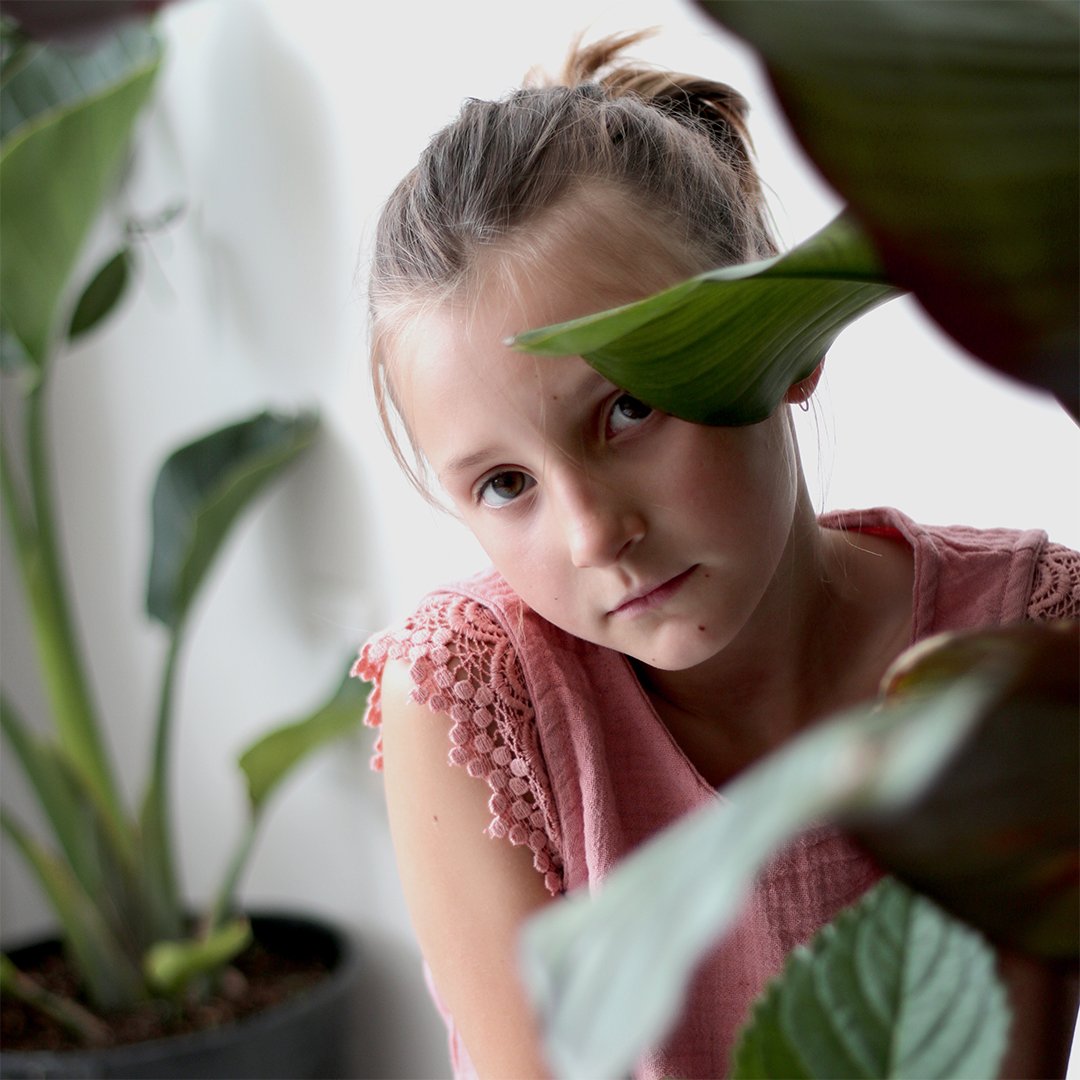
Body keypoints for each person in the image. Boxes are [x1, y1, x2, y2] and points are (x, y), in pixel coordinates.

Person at [353, 31, 1080, 1079]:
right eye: (504, 484)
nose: (594, 533)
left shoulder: (1030, 638)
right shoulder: (476, 698)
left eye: (629, 407)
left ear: (786, 334)